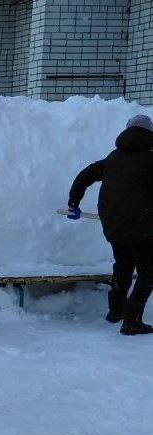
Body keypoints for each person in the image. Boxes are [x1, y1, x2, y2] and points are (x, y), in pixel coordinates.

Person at [68, 112, 153, 336]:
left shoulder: (113, 158)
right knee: (148, 272)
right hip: (143, 225)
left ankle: (116, 311)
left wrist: (73, 203)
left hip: (114, 223)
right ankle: (132, 320)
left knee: (123, 264)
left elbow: (83, 176)